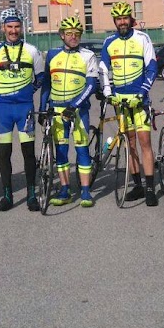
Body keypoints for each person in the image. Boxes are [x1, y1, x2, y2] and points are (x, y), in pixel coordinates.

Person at [0, 7, 45, 211]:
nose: (13, 30)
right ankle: (7, 195)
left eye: (17, 26)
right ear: (3, 28)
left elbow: (40, 78)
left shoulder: (31, 50)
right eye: (9, 26)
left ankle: (31, 194)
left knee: (28, 153)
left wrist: (26, 91)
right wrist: (1, 92)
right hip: (3, 109)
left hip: (24, 108)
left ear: (21, 27)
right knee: (4, 154)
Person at [100, 1, 159, 206]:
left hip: (139, 100)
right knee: (130, 144)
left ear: (130, 19)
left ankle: (150, 188)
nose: (122, 22)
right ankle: (137, 186)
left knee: (145, 142)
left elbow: (152, 67)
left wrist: (143, 93)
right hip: (120, 101)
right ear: (115, 21)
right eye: (119, 19)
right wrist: (108, 91)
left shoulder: (142, 38)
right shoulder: (109, 42)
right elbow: (103, 69)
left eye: (125, 18)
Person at [40, 16, 101, 208]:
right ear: (61, 35)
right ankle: (65, 190)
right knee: (61, 151)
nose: (73, 37)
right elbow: (46, 85)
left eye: (77, 34)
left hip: (78, 110)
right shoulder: (51, 54)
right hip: (57, 108)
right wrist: (43, 108)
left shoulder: (88, 55)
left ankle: (85, 191)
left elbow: (91, 85)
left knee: (82, 150)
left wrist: (74, 106)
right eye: (69, 33)